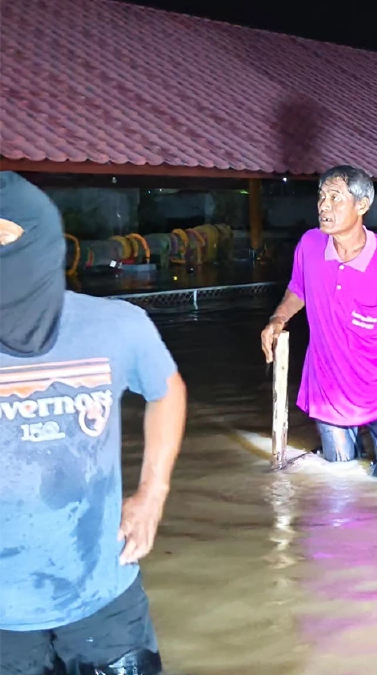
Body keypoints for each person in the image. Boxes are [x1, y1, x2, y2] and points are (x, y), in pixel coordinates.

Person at [0, 171, 187, 674]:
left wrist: (153, 493)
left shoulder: (117, 325)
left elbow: (167, 391)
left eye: (2, 236)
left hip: (105, 594)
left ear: (41, 241)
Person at [261, 165, 377, 478]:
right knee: (341, 483)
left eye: (335, 198)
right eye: (322, 197)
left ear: (362, 206)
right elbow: (299, 288)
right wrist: (278, 317)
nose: (323, 205)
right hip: (329, 390)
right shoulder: (310, 246)